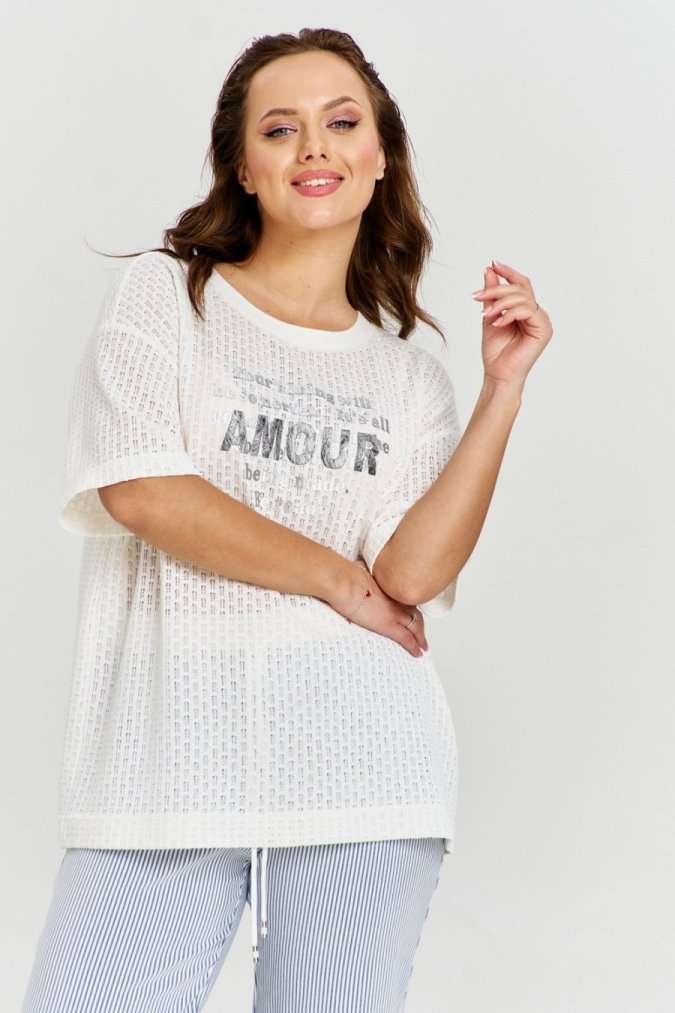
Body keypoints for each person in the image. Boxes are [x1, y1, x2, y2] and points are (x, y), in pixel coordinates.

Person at [21, 27, 553, 1013]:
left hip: (365, 771)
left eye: (342, 123)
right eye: (280, 128)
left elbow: (412, 574)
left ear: (380, 154)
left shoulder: (408, 379)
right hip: (162, 769)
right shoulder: (167, 297)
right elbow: (144, 489)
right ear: (242, 165)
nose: (314, 146)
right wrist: (339, 579)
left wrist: (501, 391)